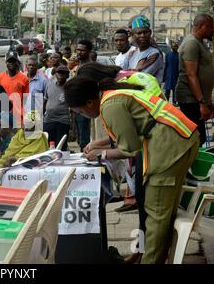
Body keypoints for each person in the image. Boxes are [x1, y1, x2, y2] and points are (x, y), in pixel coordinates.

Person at [64, 76, 199, 264]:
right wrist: (99, 144)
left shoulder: (110, 105)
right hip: (176, 139)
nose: (81, 115)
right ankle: (151, 256)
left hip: (172, 145)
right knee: (159, 209)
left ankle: (150, 260)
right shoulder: (110, 97)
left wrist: (101, 155)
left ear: (89, 102)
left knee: (156, 212)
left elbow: (130, 148)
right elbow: (129, 133)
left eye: (80, 111)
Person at [176, 13, 214, 146]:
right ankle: (189, 165)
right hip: (190, 99)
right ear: (203, 26)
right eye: (211, 27)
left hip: (198, 99)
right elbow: (191, 74)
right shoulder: (191, 43)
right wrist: (202, 103)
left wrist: (208, 102)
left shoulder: (200, 42)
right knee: (196, 138)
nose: (212, 30)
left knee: (199, 137)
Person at [124, 16, 165, 83]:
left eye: (145, 32)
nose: (142, 35)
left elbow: (140, 78)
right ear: (133, 35)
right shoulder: (131, 54)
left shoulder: (154, 54)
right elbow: (123, 73)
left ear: (150, 33)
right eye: (139, 33)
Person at [0, 51, 29, 126]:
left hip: (18, 116)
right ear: (6, 62)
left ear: (17, 62)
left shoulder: (24, 79)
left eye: (14, 61)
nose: (11, 63)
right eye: (9, 61)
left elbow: (25, 99)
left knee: (18, 136)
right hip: (3, 115)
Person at [44, 65, 70, 147]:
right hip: (49, 120)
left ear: (67, 76)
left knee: (61, 147)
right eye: (59, 73)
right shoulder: (49, 85)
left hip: (62, 121)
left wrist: (72, 127)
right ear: (55, 74)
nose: (61, 75)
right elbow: (45, 100)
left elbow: (73, 108)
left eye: (64, 73)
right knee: (48, 145)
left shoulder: (69, 88)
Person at [74, 40, 94, 151]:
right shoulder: (79, 66)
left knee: (85, 140)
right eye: (78, 50)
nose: (79, 52)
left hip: (88, 107)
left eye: (82, 50)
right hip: (79, 107)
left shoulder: (89, 67)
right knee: (81, 138)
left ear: (89, 51)